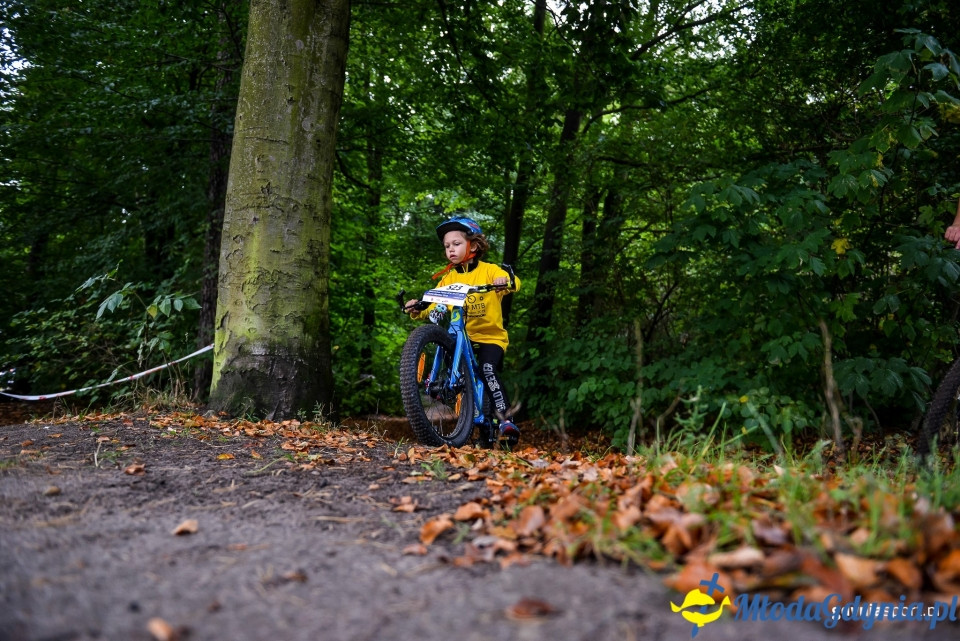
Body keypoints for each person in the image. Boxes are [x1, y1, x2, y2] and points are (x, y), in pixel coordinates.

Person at [405, 216, 522, 447]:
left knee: (488, 370)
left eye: (456, 244)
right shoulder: (448, 278)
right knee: (459, 378)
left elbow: (514, 281)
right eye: (447, 246)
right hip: (459, 339)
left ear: (474, 245)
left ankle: (506, 421)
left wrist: (504, 280)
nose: (450, 249)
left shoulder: (488, 270)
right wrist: (415, 307)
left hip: (490, 337)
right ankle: (461, 403)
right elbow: (431, 302)